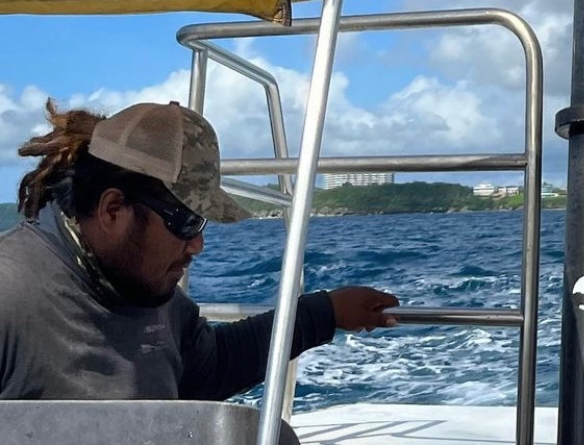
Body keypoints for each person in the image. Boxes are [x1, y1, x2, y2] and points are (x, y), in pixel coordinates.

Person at [0, 100, 401, 400]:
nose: (197, 244)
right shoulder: (11, 295)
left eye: (201, 222)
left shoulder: (150, 292)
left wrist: (325, 311)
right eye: (185, 221)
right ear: (113, 210)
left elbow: (213, 366)